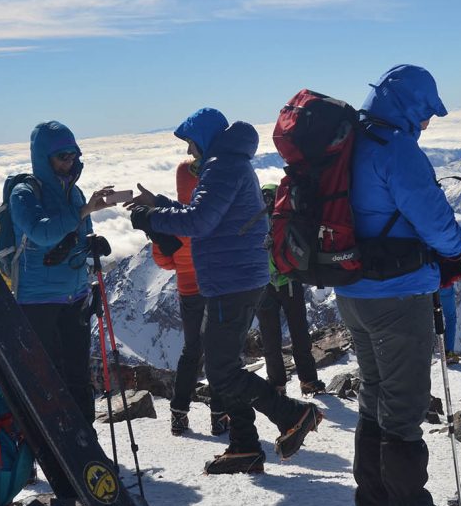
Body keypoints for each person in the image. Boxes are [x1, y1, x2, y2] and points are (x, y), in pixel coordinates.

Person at [126, 107, 323, 474]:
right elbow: (208, 212)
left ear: (202, 137)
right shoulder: (228, 162)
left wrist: (151, 219)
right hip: (236, 277)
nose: (189, 153)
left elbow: (200, 221)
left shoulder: (221, 166)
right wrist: (160, 205)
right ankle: (244, 447)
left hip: (231, 280)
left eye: (190, 143)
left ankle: (294, 414)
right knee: (225, 366)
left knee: (220, 371)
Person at [335, 65, 461, 506]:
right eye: (426, 112)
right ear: (410, 107)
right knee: (404, 410)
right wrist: (458, 251)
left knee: (374, 397)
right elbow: (435, 223)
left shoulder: (350, 142)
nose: (428, 124)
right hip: (397, 294)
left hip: (351, 291)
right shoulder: (397, 150)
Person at [9, 121, 114, 424]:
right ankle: (46, 447)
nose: (69, 161)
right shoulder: (25, 193)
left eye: (72, 155)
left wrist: (92, 245)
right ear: (44, 157)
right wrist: (83, 211)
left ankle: (85, 446)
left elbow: (79, 234)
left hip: (75, 294)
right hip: (38, 301)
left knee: (78, 376)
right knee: (46, 379)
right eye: (62, 156)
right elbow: (42, 234)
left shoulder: (75, 192)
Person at [149, 156, 229, 437]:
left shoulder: (173, 219)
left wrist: (182, 263)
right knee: (217, 351)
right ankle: (220, 415)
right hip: (215, 287)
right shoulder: (212, 212)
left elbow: (163, 260)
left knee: (191, 351)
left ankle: (179, 415)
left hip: (187, 290)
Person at [257, 184, 326, 396]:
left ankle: (277, 385)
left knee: (270, 338)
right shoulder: (284, 218)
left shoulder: (254, 221)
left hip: (263, 284)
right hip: (290, 280)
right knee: (299, 333)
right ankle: (308, 380)